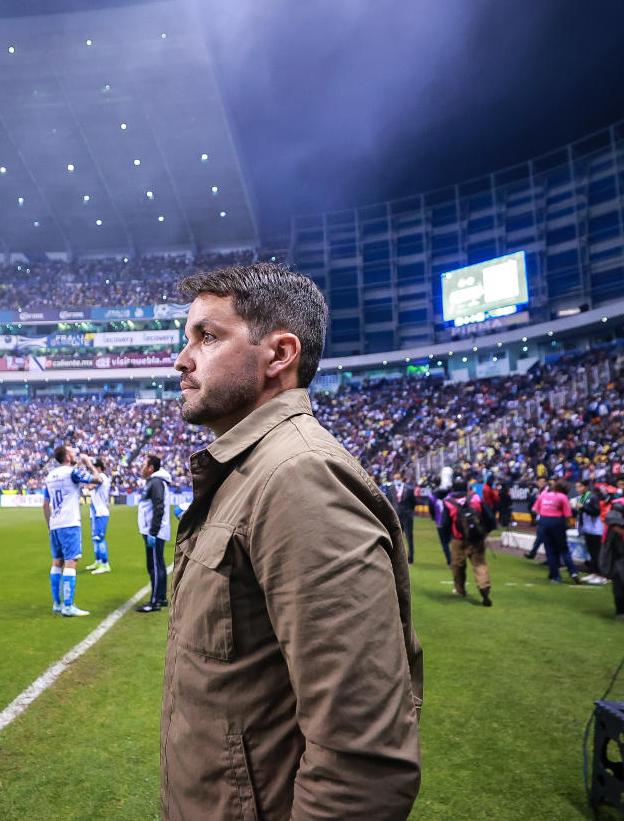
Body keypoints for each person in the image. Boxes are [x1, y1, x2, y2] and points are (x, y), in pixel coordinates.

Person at [162, 264, 421, 819]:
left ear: (279, 355)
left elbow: (361, 760)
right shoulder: (249, 469)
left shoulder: (298, 477)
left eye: (207, 337)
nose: (181, 360)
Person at [43, 445, 103, 617]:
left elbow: (45, 504)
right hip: (69, 523)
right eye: (72, 451)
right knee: (71, 562)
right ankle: (68, 606)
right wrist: (89, 464)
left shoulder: (50, 476)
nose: (75, 453)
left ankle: (57, 604)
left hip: (55, 523)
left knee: (57, 562)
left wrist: (49, 525)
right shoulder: (72, 472)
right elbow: (98, 480)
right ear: (67, 456)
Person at [444, 479, 492, 606]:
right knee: (479, 564)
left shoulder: (448, 503)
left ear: (452, 489)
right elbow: (490, 517)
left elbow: (444, 523)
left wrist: (447, 538)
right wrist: (485, 532)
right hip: (477, 539)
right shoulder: (476, 498)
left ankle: (460, 590)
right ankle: (484, 586)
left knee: (457, 566)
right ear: (467, 488)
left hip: (458, 539)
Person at [136, 454, 172, 613]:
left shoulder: (156, 482)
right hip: (154, 530)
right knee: (158, 564)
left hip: (154, 532)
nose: (141, 467)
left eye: (144, 464)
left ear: (151, 468)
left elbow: (159, 507)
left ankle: (155, 601)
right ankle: (162, 597)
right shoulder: (155, 481)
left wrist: (152, 532)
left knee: (154, 566)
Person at [534, 478, 579, 583]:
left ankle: (555, 576)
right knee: (564, 550)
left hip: (544, 522)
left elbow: (536, 509)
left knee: (550, 551)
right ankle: (573, 572)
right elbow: (568, 514)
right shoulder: (562, 497)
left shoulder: (543, 494)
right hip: (557, 522)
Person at [574, 480, 608, 584]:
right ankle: (595, 573)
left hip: (596, 529)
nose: (577, 489)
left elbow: (596, 511)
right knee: (592, 553)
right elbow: (581, 512)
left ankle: (602, 576)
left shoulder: (593, 497)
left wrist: (582, 508)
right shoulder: (583, 498)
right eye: (576, 487)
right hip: (587, 528)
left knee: (597, 552)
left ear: (586, 487)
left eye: (579, 486)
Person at [87, 458, 112, 574]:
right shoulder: (99, 477)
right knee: (95, 539)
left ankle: (105, 564)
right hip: (95, 512)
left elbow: (90, 486)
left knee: (100, 539)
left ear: (98, 468)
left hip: (101, 513)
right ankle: (97, 561)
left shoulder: (101, 477)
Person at [387, 472, 418, 564]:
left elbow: (413, 502)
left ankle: (410, 558)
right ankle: (396, 557)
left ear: (401, 479)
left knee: (409, 537)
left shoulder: (409, 489)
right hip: (396, 516)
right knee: (396, 537)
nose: (396, 481)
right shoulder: (391, 488)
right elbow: (390, 501)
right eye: (395, 479)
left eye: (398, 479)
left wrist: (409, 511)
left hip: (407, 515)